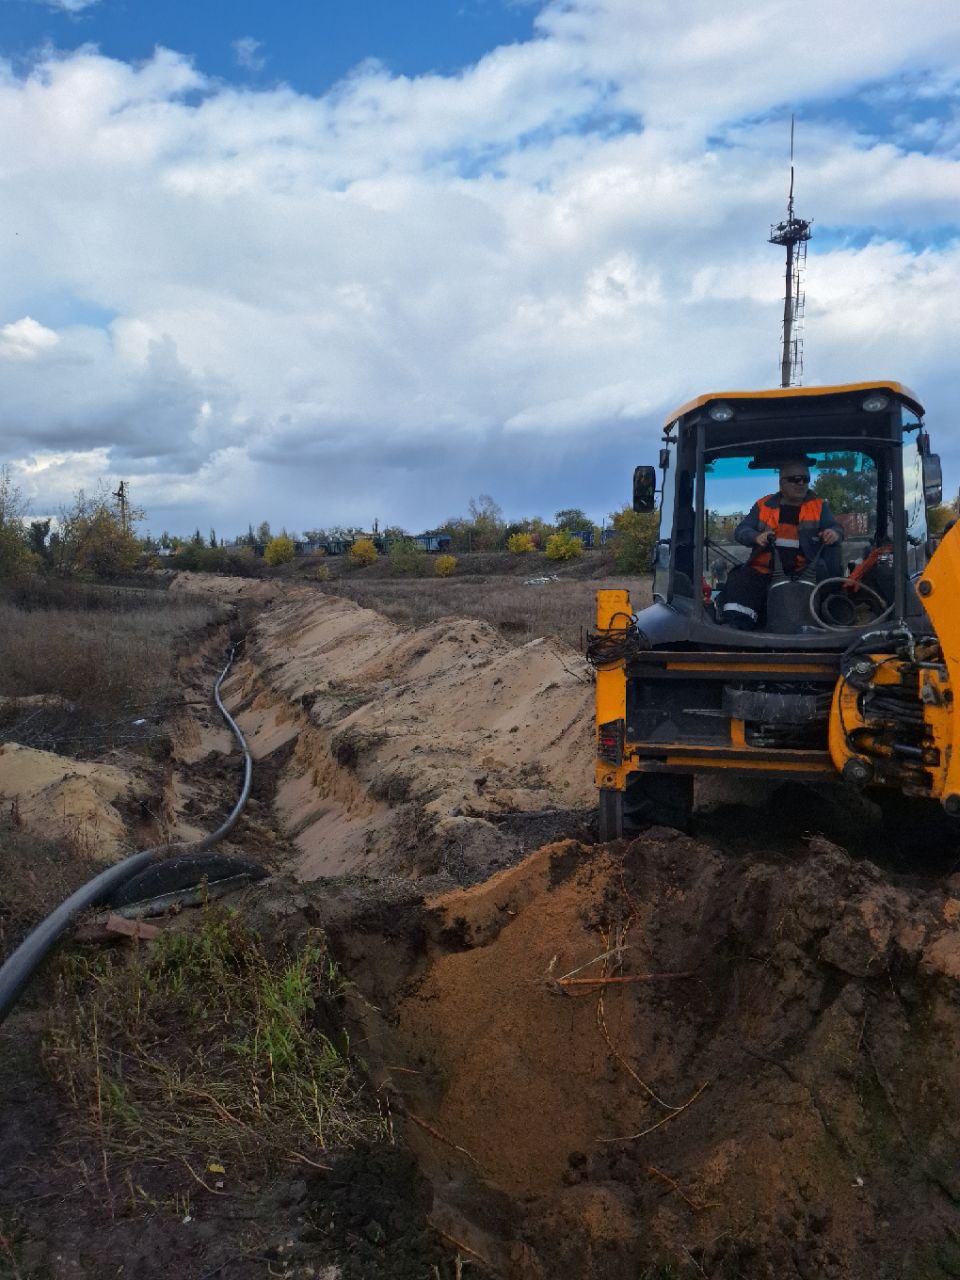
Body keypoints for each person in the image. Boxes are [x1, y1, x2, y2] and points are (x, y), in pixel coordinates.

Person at [719, 461, 843, 630]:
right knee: (739, 580)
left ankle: (831, 625)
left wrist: (834, 533)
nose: (801, 483)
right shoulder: (763, 505)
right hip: (764, 571)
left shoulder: (819, 506)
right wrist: (756, 536)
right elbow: (742, 530)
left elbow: (836, 528)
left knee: (831, 587)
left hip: (805, 574)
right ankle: (739, 627)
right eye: (794, 479)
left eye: (805, 479)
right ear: (781, 482)